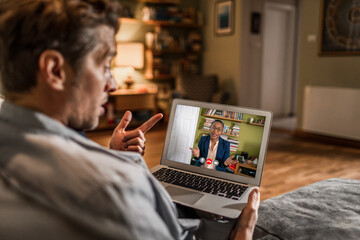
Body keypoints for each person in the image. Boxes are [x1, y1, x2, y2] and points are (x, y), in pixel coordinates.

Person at [0, 0, 259, 239]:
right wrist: (244, 233)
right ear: (55, 70)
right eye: (104, 66)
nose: (112, 84)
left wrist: (113, 155)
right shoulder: (113, 187)